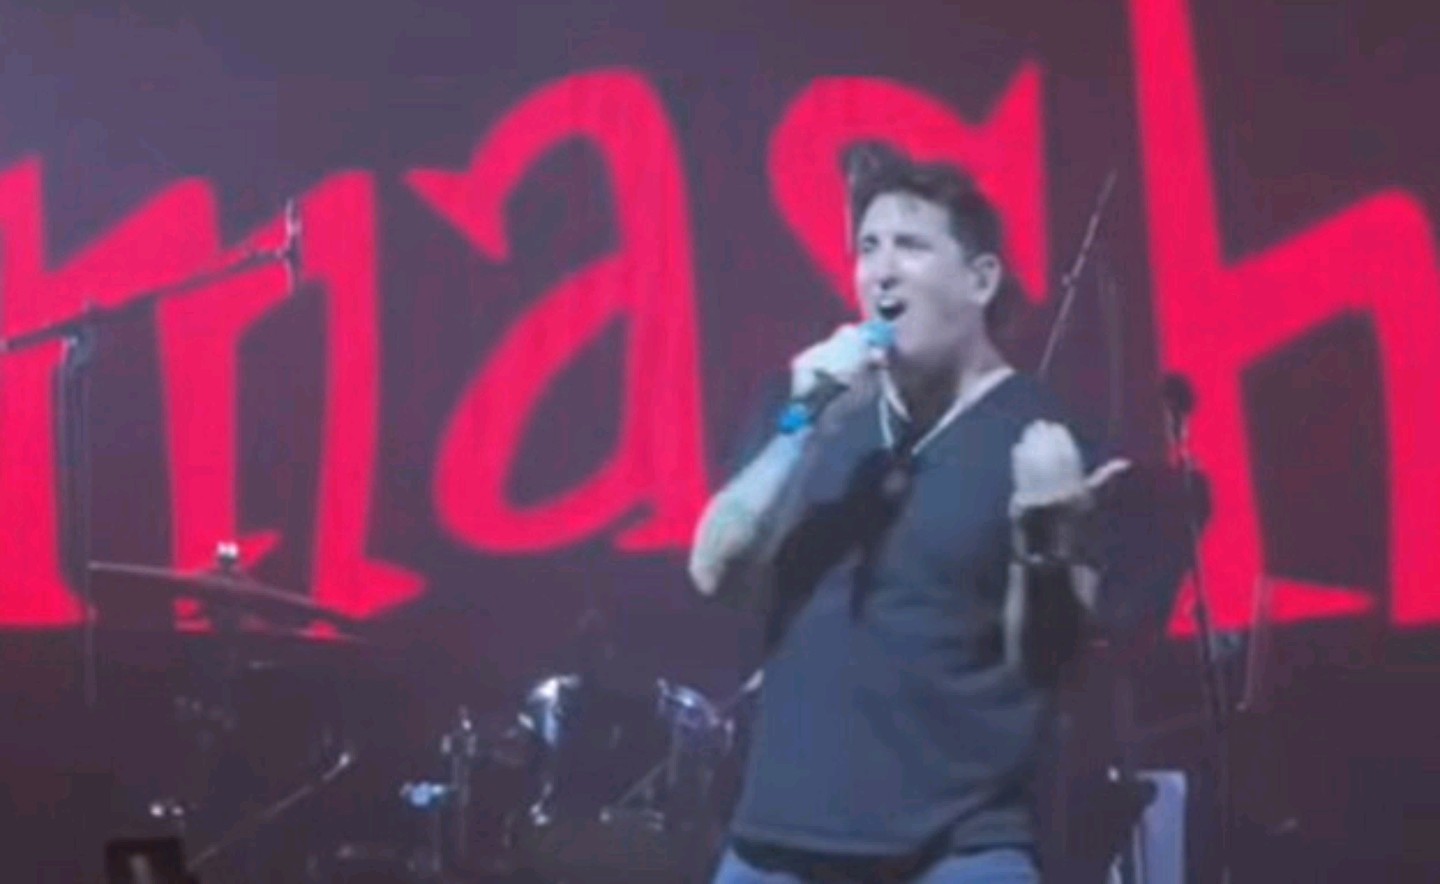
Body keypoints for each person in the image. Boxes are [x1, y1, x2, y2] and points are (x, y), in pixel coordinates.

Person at [688, 144, 1129, 883]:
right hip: (775, 844)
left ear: (980, 279)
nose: (880, 270)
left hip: (957, 849)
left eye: (910, 246)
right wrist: (803, 428)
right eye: (868, 247)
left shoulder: (1043, 438)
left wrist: (1049, 537)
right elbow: (716, 573)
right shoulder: (807, 406)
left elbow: (1051, 663)